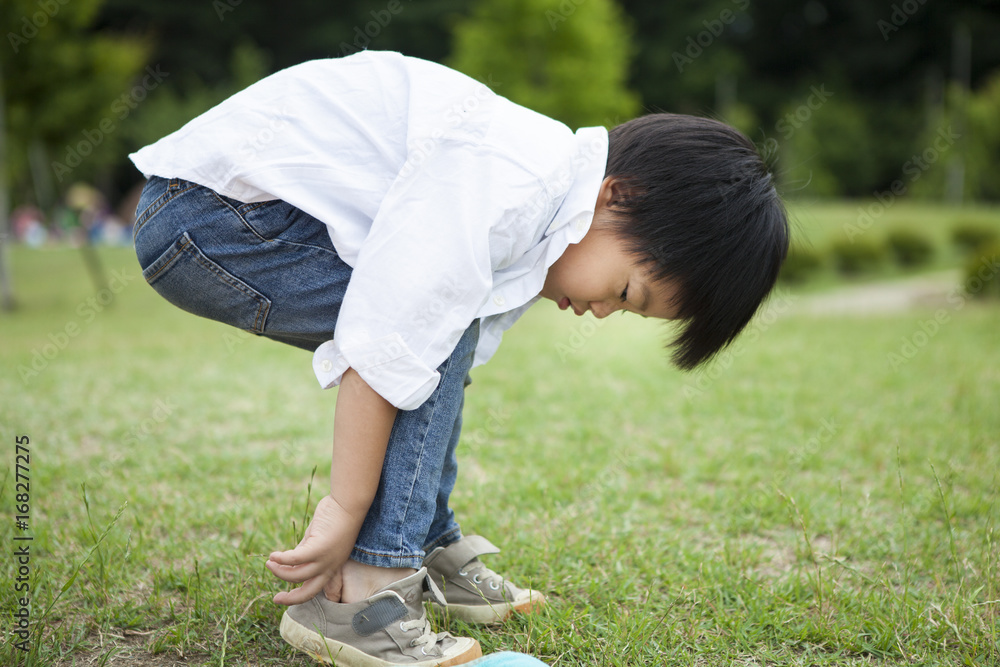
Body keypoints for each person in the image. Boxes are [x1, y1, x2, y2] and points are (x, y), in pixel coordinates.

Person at [129, 50, 787, 666]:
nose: (605, 311)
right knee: (431, 329)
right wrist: (345, 504)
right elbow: (390, 339)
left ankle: (420, 539)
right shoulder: (512, 180)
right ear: (620, 196)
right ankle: (367, 592)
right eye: (625, 292)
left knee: (446, 331)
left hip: (225, 217)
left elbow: (432, 363)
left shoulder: (535, 198)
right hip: (211, 217)